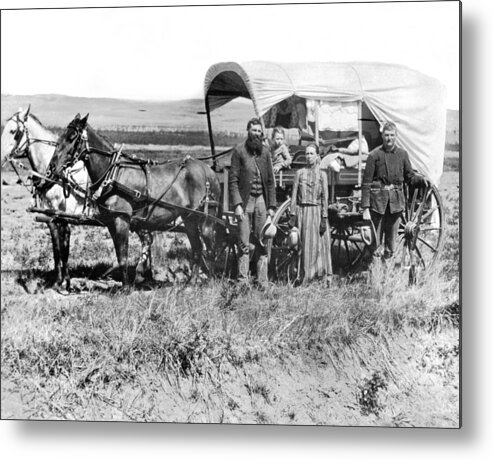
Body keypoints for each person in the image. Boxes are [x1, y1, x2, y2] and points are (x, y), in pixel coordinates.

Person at [361, 121, 430, 261]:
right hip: (378, 204)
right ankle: (375, 274)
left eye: (392, 135)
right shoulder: (374, 155)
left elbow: (409, 177)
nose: (389, 138)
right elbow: (366, 183)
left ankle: (387, 273)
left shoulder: (402, 155)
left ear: (396, 136)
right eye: (386, 135)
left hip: (396, 204)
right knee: (375, 242)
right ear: (382, 136)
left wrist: (421, 180)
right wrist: (365, 208)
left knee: (391, 244)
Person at [229, 117, 277, 286]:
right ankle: (242, 281)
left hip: (261, 201)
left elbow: (270, 181)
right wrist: (237, 205)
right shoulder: (239, 151)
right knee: (244, 242)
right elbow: (233, 180)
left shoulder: (265, 153)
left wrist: (271, 206)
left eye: (259, 131)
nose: (256, 134)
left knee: (262, 241)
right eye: (253, 130)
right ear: (248, 131)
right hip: (245, 202)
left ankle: (262, 281)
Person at [289, 143, 332, 284]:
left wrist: (324, 218)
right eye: (306, 154)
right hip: (303, 213)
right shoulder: (299, 174)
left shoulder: (322, 175)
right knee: (304, 245)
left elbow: (325, 197)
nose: (308, 156)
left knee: (319, 245)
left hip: (317, 213)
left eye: (311, 153)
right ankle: (304, 277)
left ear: (317, 156)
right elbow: (294, 195)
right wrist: (293, 215)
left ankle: (320, 276)